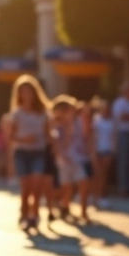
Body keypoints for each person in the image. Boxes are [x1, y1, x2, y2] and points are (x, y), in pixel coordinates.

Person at [8, 75, 51, 232]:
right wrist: (25, 139)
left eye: (29, 91)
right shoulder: (17, 113)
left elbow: (48, 134)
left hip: (38, 152)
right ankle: (24, 213)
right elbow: (11, 137)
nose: (26, 95)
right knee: (26, 187)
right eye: (23, 92)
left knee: (36, 185)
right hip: (22, 152)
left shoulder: (42, 113)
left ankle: (35, 214)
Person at [51, 96, 90, 223]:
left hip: (78, 158)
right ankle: (64, 206)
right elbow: (58, 143)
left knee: (83, 182)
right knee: (67, 188)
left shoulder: (78, 121)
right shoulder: (57, 126)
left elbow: (85, 135)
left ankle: (83, 212)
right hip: (64, 160)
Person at [91, 98, 116, 209]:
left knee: (104, 175)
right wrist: (93, 151)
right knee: (97, 175)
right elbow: (93, 136)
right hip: (98, 150)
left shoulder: (112, 121)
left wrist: (113, 149)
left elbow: (114, 137)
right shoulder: (96, 120)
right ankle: (95, 196)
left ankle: (102, 196)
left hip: (108, 150)